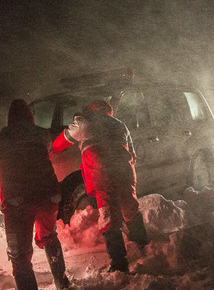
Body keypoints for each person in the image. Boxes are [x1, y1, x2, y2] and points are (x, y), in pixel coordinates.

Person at [0, 99, 71, 290]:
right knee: (48, 235)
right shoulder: (43, 134)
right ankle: (62, 283)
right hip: (49, 196)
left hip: (17, 201)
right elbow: (48, 151)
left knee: (20, 256)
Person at [52, 100, 149, 273]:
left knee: (108, 216)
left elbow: (59, 145)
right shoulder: (121, 125)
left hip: (102, 174)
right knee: (130, 207)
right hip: (125, 172)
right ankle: (144, 246)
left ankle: (119, 264)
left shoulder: (84, 122)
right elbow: (132, 154)